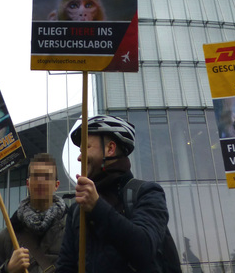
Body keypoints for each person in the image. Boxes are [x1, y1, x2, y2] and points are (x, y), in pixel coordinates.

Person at [55, 115, 171, 273]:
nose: (79, 157)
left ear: (110, 149)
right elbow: (65, 267)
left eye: (86, 148)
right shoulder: (77, 210)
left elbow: (144, 249)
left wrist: (97, 208)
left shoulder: (146, 193)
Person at [0, 152, 66, 273]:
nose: (40, 181)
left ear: (56, 185)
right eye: (36, 176)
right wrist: (7, 270)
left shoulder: (72, 229)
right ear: (28, 183)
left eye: (46, 176)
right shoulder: (7, 236)